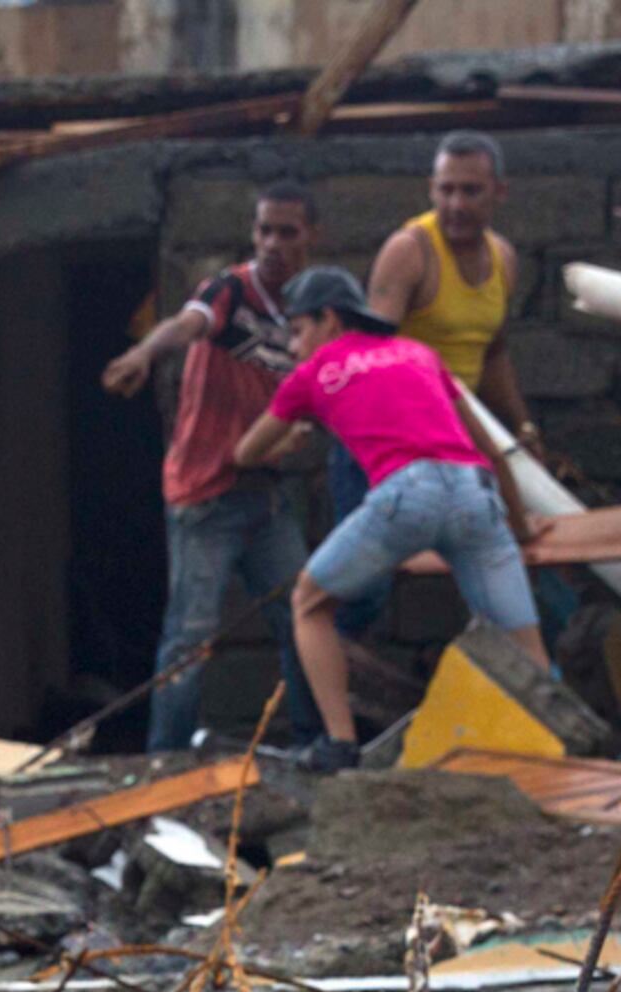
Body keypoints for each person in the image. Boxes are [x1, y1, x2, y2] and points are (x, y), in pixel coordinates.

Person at [232, 267, 541, 772]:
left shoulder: (311, 376)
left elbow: (247, 452)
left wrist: (291, 438)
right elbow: (489, 448)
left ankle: (338, 744)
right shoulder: (420, 355)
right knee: (524, 643)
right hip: (474, 491)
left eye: (296, 330)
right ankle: (552, 753)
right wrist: (522, 526)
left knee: (308, 603)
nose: (292, 347)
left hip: (408, 493)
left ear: (328, 320)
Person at [99, 182, 322, 759]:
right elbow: (187, 324)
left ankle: (315, 746)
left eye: (287, 232)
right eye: (264, 230)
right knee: (189, 641)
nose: (273, 243)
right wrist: (144, 354)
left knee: (304, 618)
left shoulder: (308, 316)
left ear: (310, 238)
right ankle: (164, 764)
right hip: (206, 496)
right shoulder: (228, 291)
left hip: (266, 495)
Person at [368, 130, 536, 445]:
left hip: (457, 434)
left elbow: (493, 354)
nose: (456, 205)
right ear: (431, 190)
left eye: (471, 191)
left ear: (500, 191)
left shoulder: (503, 258)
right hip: (397, 435)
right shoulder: (410, 251)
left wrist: (522, 426)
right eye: (446, 190)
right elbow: (372, 356)